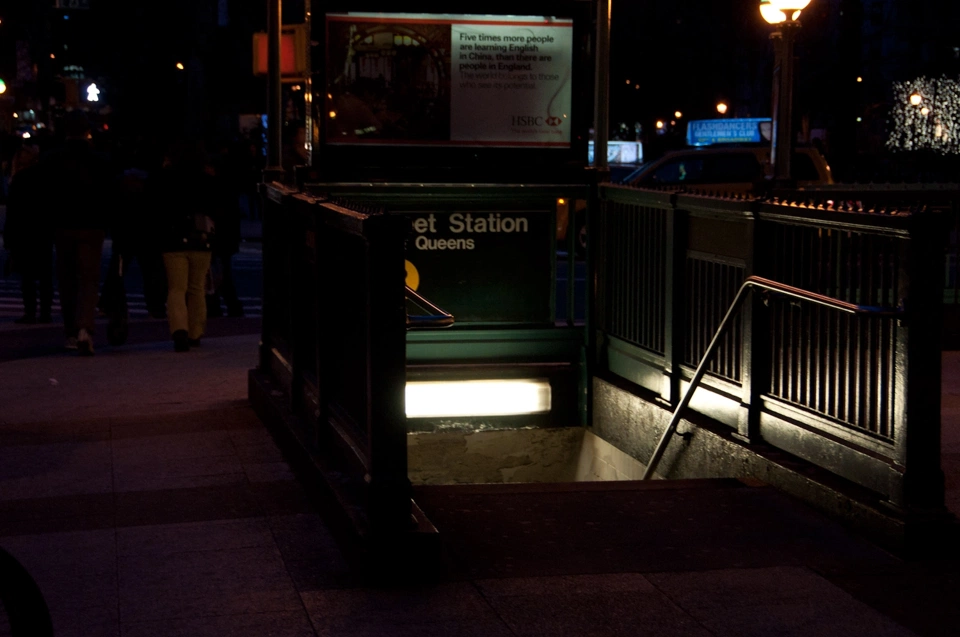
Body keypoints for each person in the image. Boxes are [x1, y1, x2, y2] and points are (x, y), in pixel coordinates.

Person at [39, 110, 116, 355]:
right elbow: (109, 194)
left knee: (67, 280)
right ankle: (85, 327)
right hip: (92, 224)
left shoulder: (51, 159)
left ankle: (71, 330)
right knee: (89, 279)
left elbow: (44, 195)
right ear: (87, 131)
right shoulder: (100, 160)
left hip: (62, 224)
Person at [149, 140, 222, 352]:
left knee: (176, 288)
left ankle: (179, 330)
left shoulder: (165, 177)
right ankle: (195, 331)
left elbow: (156, 206)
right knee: (197, 287)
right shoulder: (207, 178)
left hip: (173, 238)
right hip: (201, 237)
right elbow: (217, 208)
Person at [2, 144, 54, 324]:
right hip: (42, 230)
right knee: (44, 275)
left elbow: (13, 210)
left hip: (24, 231)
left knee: (28, 276)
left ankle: (31, 311)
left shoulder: (20, 179)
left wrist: (9, 237)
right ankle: (45, 311)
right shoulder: (45, 176)